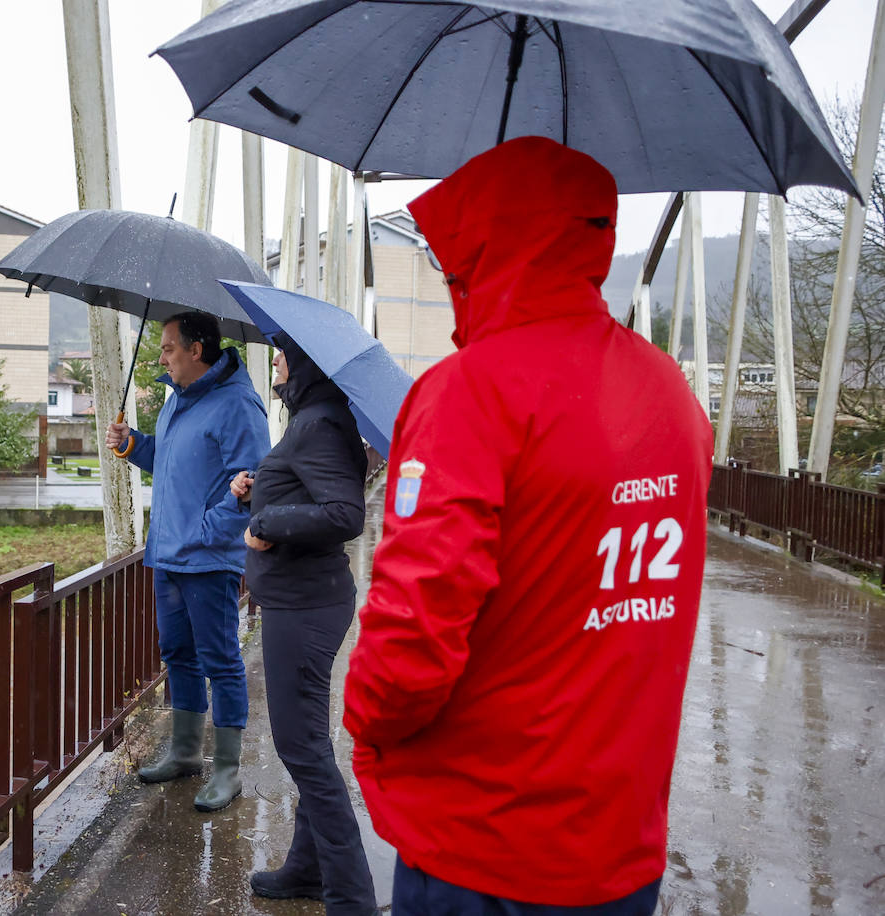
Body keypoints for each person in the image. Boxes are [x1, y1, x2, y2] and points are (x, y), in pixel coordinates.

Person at [343, 136, 712, 914]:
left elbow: (414, 628)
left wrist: (366, 722)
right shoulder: (667, 390)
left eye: (453, 266)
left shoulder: (470, 393)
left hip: (485, 847)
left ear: (484, 248)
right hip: (619, 845)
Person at [230, 334, 376, 915]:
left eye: (283, 354)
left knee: (303, 750)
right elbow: (309, 489)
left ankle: (352, 896)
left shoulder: (316, 422)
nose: (276, 363)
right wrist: (254, 488)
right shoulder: (318, 417)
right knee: (309, 744)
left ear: (307, 362)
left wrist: (265, 516)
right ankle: (309, 868)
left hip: (305, 607)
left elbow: (344, 513)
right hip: (307, 600)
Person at [105, 311, 269, 812]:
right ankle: (183, 754)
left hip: (209, 558)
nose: (162, 357)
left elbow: (255, 481)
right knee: (177, 653)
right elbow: (173, 460)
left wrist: (206, 531)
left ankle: (227, 769)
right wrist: (134, 444)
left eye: (169, 348)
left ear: (196, 350)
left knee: (220, 660)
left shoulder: (239, 404)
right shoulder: (178, 399)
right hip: (169, 552)